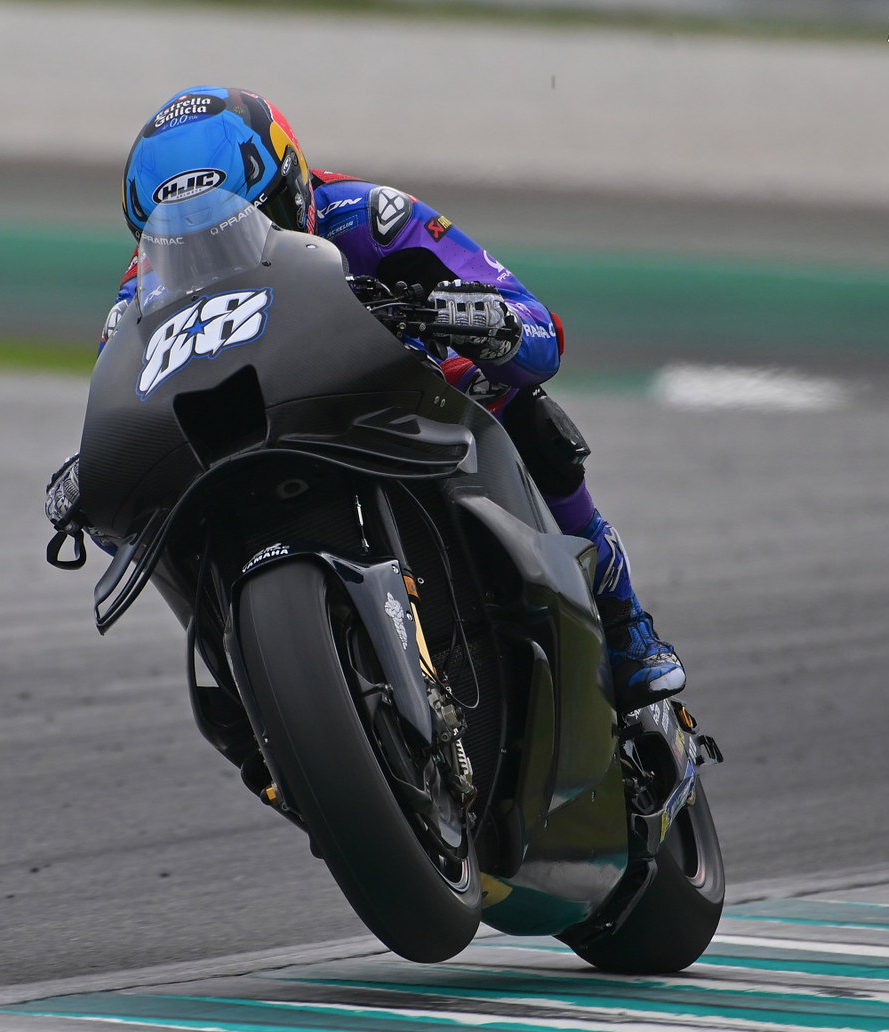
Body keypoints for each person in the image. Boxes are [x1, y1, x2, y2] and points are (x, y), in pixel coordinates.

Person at [46, 86, 683, 711]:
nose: (209, 254)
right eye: (185, 243)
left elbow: (539, 331)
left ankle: (622, 618)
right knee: (132, 515)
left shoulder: (369, 215)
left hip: (388, 395)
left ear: (293, 190)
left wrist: (486, 320)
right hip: (253, 429)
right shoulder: (137, 298)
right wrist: (97, 474)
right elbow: (123, 404)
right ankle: (245, 676)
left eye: (239, 224)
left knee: (519, 402)